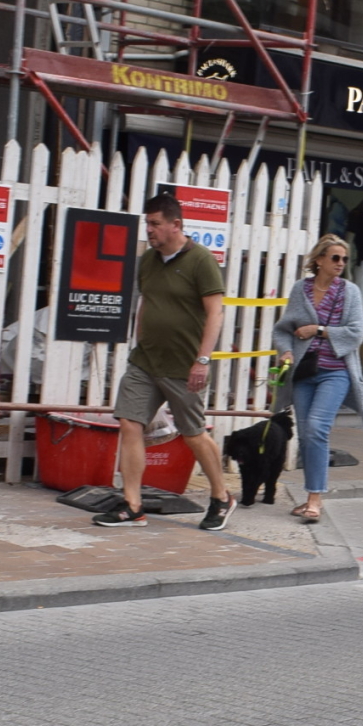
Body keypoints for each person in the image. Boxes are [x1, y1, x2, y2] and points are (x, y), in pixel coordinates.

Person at [96, 188, 234, 530]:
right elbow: (146, 303)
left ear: (177, 224)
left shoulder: (202, 261)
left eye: (155, 224)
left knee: (193, 433)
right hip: (145, 362)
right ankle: (132, 505)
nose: (150, 230)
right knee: (129, 423)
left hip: (184, 366)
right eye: (147, 223)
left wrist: (202, 360)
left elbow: (215, 314)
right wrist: (140, 342)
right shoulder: (147, 261)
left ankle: (221, 497)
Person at [274, 234, 363, 524]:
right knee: (305, 434)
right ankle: (310, 496)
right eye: (335, 258)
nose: (341, 263)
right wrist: (286, 353)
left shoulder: (350, 292)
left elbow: (356, 333)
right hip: (304, 373)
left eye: (344, 259)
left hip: (336, 372)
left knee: (318, 427)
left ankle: (315, 498)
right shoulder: (300, 290)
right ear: (319, 260)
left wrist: (318, 330)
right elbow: (283, 330)